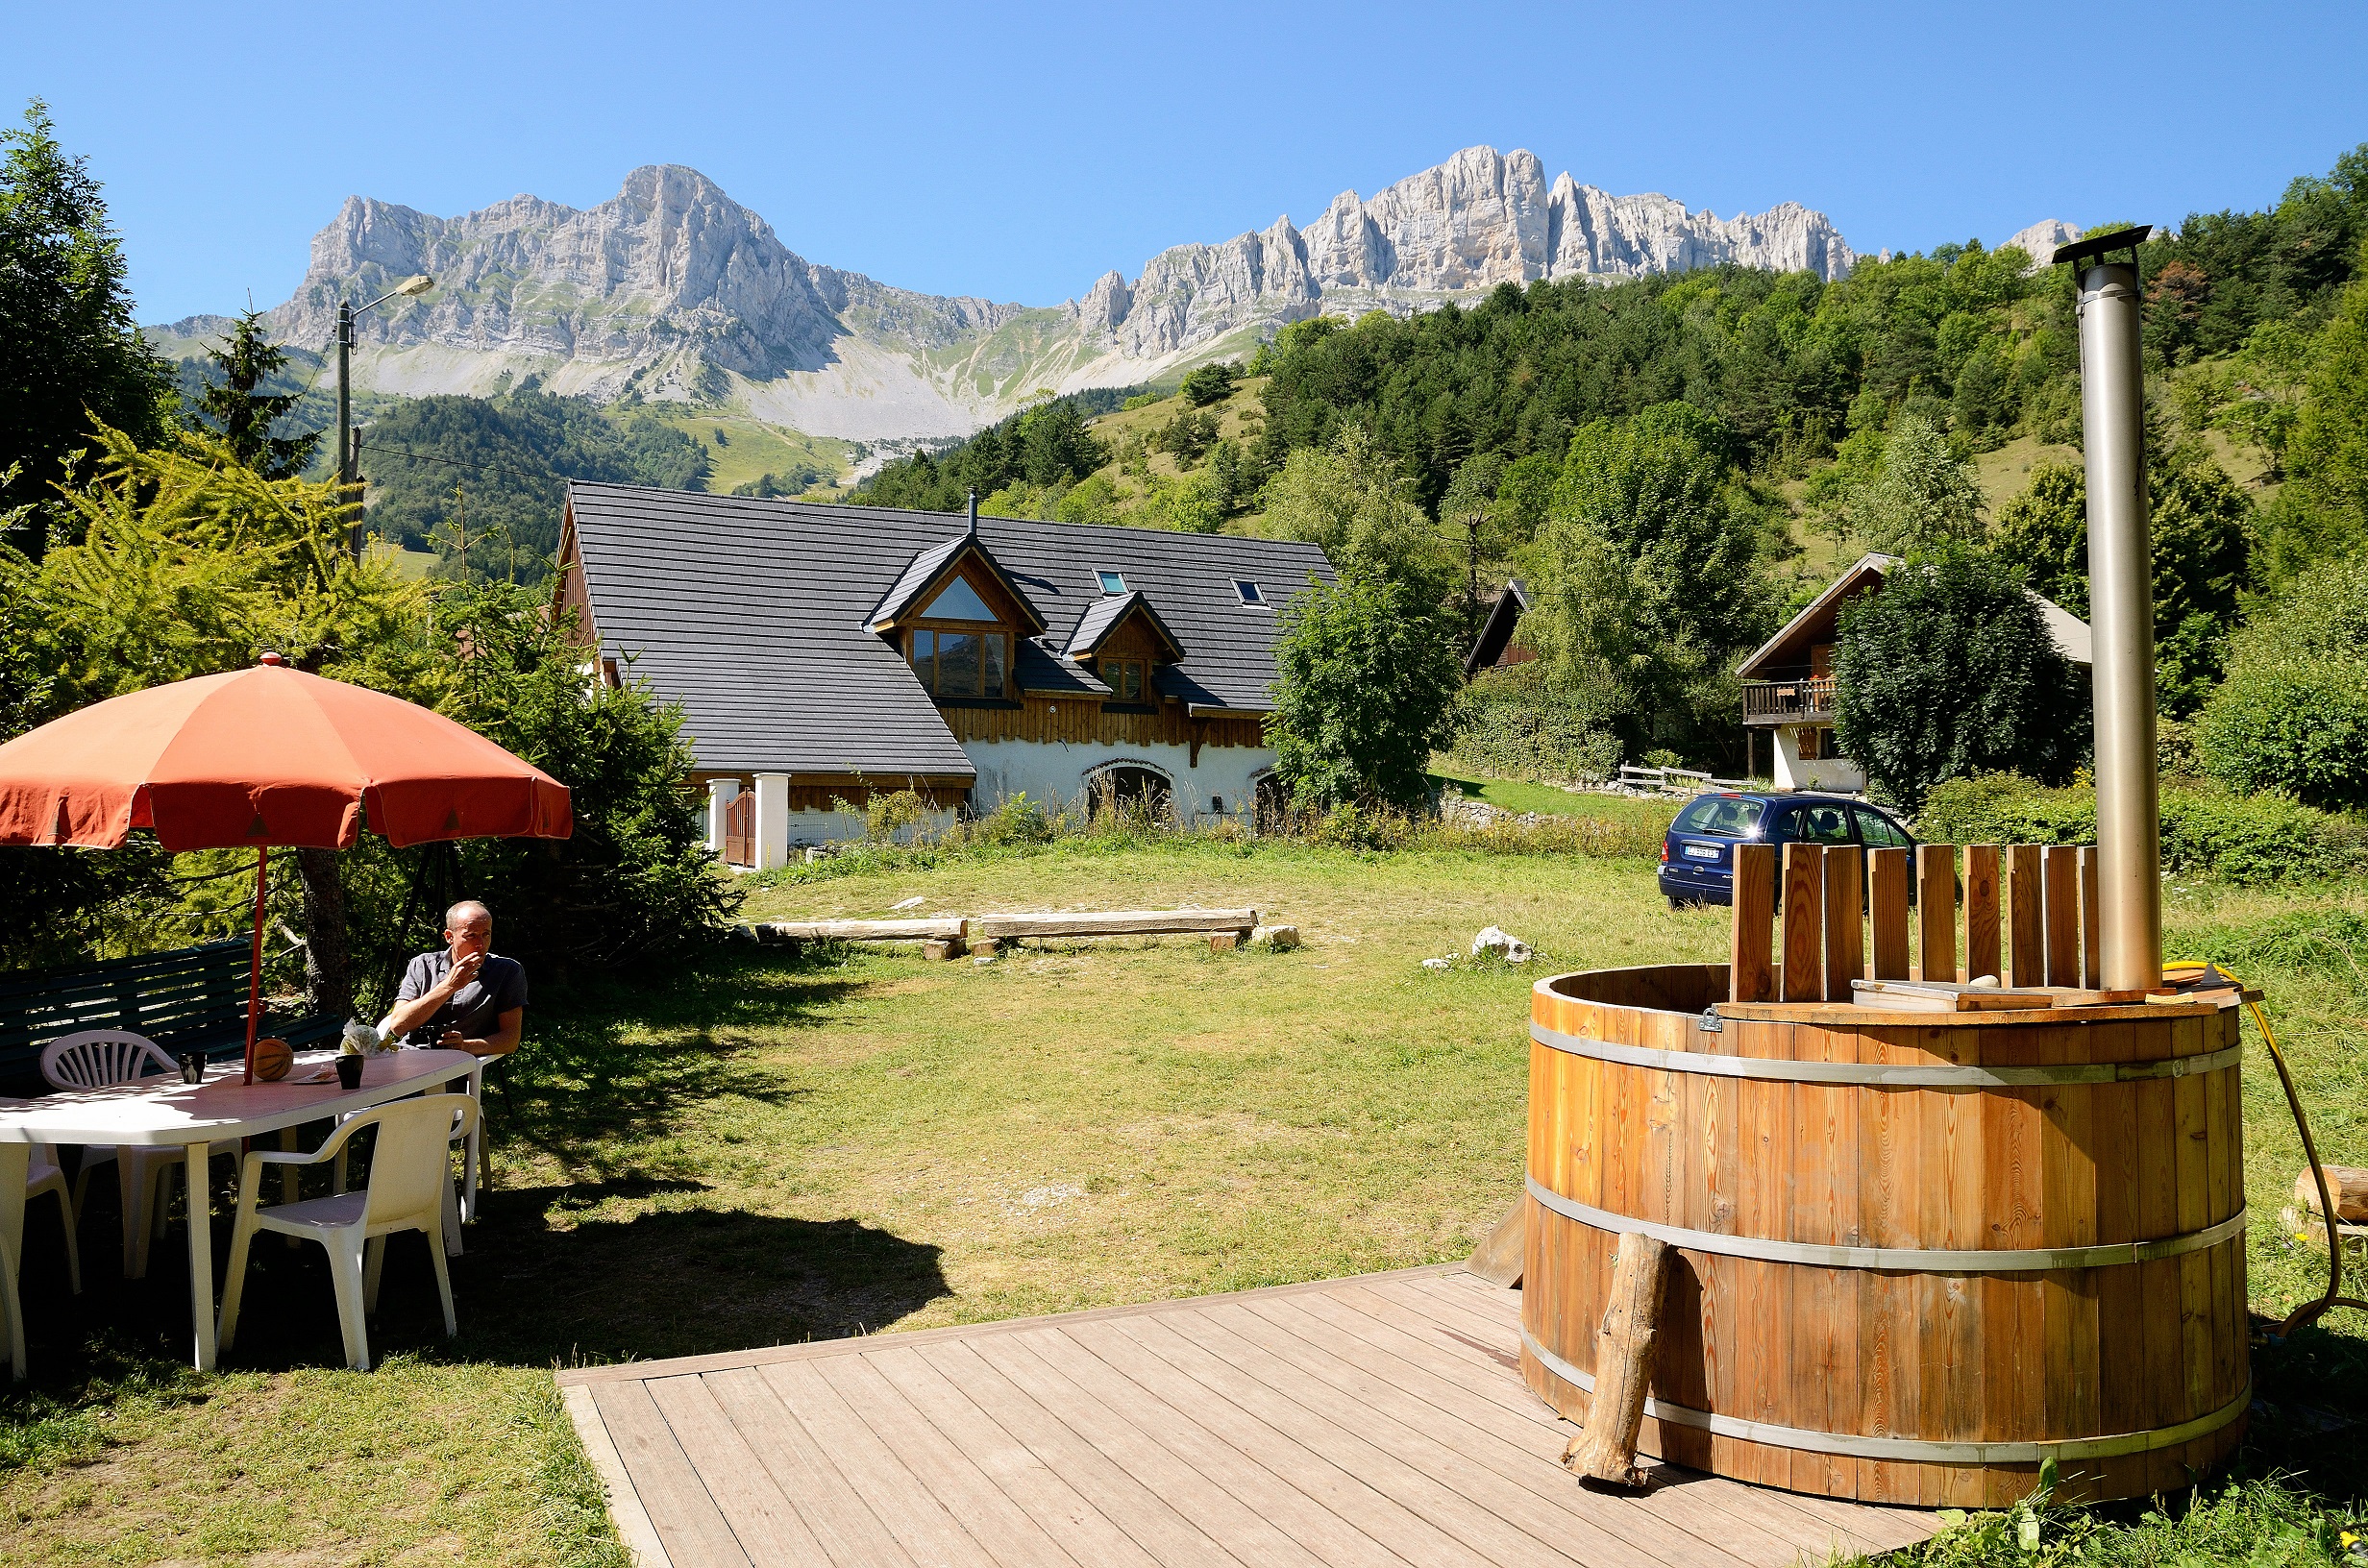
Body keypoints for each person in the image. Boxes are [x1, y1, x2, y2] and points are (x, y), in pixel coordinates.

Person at [381, 899, 526, 1056]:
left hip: (458, 1065)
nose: (481, 944)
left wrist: (465, 1046)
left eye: (486, 934)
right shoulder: (422, 965)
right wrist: (449, 986)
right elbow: (398, 1026)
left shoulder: (506, 971)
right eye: (471, 936)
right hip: (409, 1056)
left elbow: (511, 1039)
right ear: (450, 936)